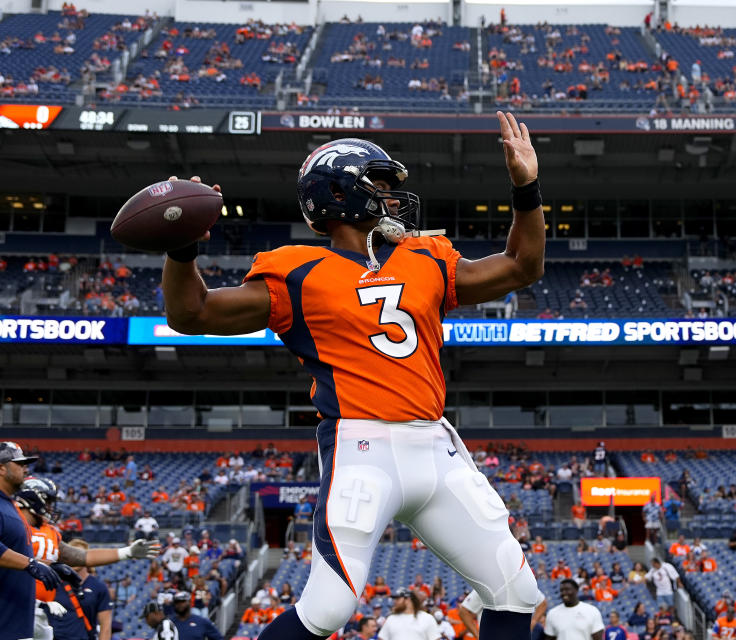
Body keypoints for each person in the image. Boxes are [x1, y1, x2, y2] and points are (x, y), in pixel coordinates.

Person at [162, 113, 545, 640]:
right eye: (379, 186)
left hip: (435, 443)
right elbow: (192, 314)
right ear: (341, 194)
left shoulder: (423, 256)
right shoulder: (296, 270)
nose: (392, 199)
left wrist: (526, 188)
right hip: (361, 446)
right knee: (328, 609)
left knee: (515, 591)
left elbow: (522, 267)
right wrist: (183, 247)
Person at [0, 442, 62, 640]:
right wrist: (30, 563)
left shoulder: (10, 506)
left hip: (16, 623)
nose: (25, 468)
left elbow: (15, 559)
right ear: (1, 468)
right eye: (19, 463)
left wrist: (49, 566)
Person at [48, 539, 114, 640]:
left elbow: (105, 627)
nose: (75, 559)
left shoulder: (99, 587)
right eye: (72, 556)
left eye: (78, 555)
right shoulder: (53, 582)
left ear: (87, 559)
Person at [458, 585, 547, 639]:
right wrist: (478, 636)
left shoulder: (522, 583)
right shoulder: (487, 586)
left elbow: (542, 603)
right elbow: (463, 611)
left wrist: (532, 623)